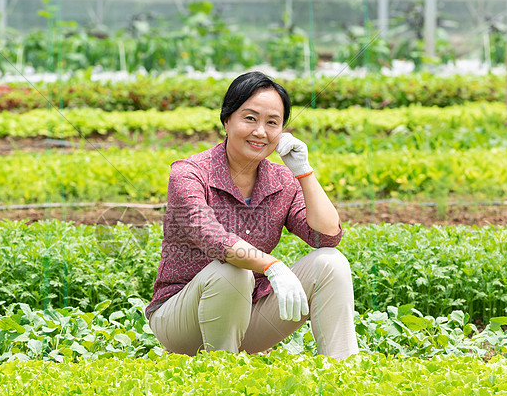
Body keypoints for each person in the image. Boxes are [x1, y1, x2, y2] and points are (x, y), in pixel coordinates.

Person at [145, 71, 358, 359]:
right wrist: (272, 266)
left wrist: (304, 172)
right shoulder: (189, 173)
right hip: (181, 320)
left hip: (248, 315)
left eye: (272, 123)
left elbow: (327, 235)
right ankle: (223, 374)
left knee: (330, 263)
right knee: (231, 267)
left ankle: (342, 371)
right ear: (227, 120)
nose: (261, 131)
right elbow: (211, 238)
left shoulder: (282, 180)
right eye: (250, 118)